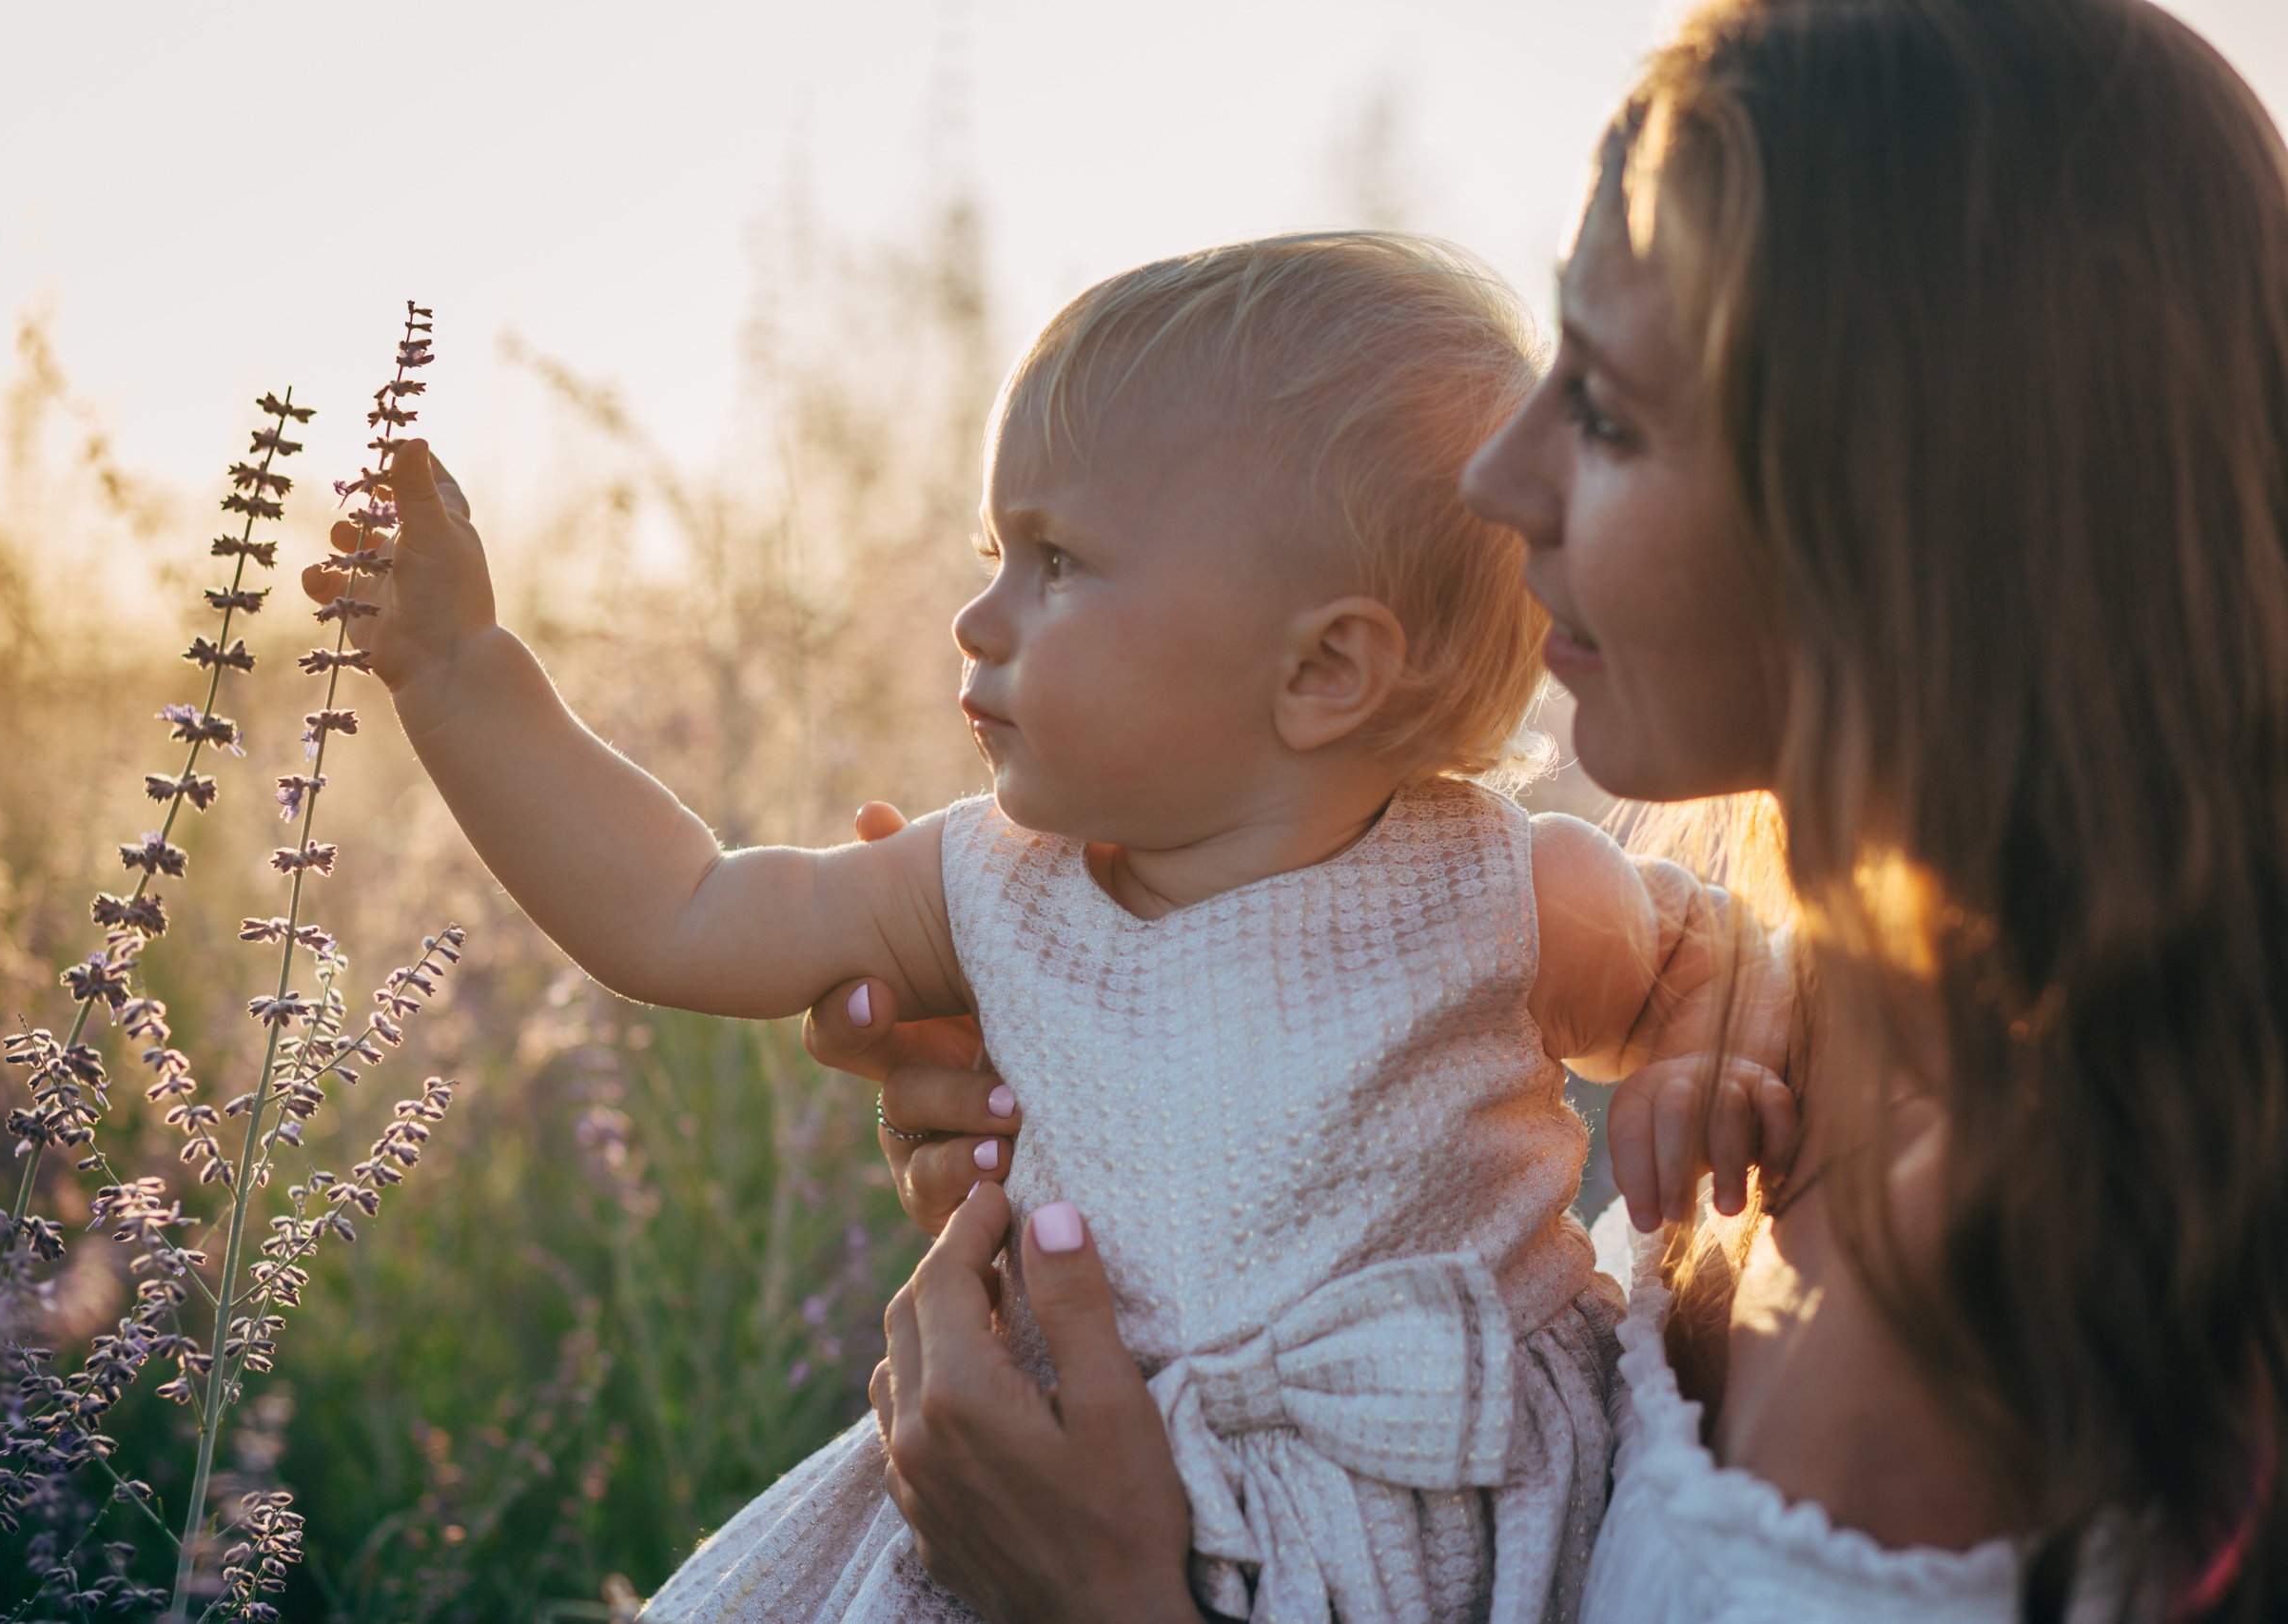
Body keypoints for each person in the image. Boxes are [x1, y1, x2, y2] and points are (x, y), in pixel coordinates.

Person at [826, 0, 2288, 1619]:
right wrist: (1159, 1161)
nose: (1497, 481)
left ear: (1907, 499)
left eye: (1604, 411)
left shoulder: (2011, 1274)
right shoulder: (1785, 1035)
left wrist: (1099, 1597)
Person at [305, 231, 1794, 1623]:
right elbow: (681, 911)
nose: (978, 618)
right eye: (992, 554)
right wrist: (459, 672)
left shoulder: (1512, 891)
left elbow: (1727, 973)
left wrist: (1693, 1058)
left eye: (1057, 562)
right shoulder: (985, 883)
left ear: (1325, 670)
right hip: (1065, 1496)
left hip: (1451, 1508)